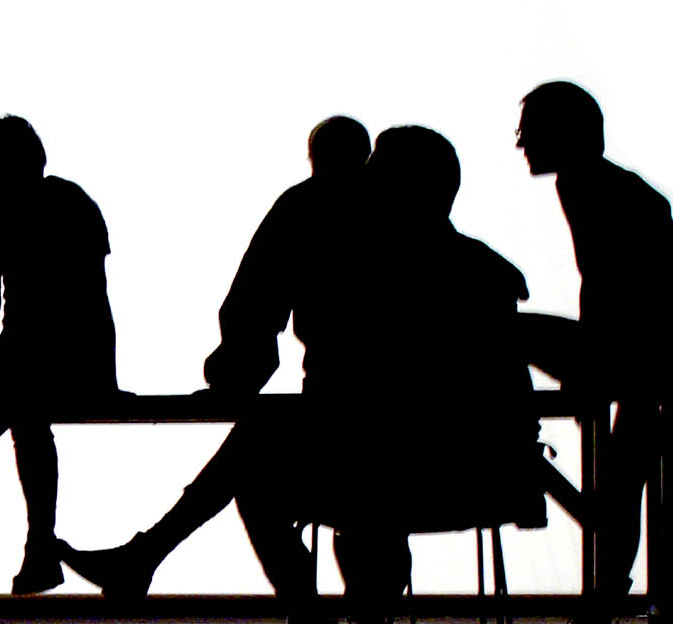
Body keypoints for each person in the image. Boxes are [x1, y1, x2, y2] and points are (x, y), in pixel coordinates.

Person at [64, 125, 539, 623]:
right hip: (468, 473)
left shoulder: (345, 258)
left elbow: (261, 320)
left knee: (267, 462)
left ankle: (293, 609)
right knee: (308, 458)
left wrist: (233, 379)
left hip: (382, 464)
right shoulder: (485, 271)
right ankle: (149, 558)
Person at [0, 115, 117, 595]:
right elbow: (93, 300)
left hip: (52, 354)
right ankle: (22, 546)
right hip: (39, 353)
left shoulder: (55, 205)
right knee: (8, 417)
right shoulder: (58, 203)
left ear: (4, 166)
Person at [515, 81, 671, 620]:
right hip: (641, 349)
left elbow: (611, 287)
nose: (522, 144)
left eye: (530, 131)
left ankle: (609, 588)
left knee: (626, 470)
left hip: (637, 350)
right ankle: (611, 588)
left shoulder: (589, 187)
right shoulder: (598, 183)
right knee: (627, 470)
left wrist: (587, 370)